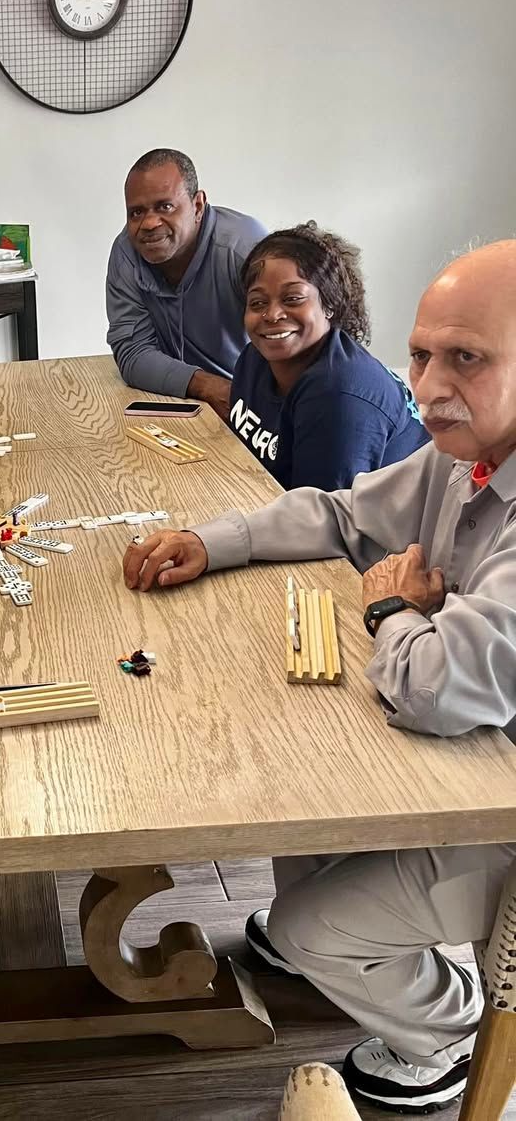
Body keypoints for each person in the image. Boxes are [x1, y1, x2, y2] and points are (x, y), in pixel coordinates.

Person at [123, 240, 516, 1114]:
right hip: (462, 760)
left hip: (495, 802)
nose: (428, 385)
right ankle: (365, 937)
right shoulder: (464, 452)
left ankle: (449, 1036)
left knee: (306, 923)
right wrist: (212, 540)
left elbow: (439, 688)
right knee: (301, 787)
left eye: (468, 358)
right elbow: (343, 512)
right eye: (421, 353)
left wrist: (390, 610)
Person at [229, 222, 428, 490]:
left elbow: (323, 521)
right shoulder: (254, 359)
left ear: (330, 305)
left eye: (293, 298)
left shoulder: (340, 395)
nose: (272, 314)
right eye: (258, 303)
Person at [106, 148, 267, 421]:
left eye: (164, 206)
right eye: (136, 213)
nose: (149, 223)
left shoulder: (245, 249)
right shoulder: (127, 254)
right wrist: (207, 386)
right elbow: (133, 353)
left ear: (198, 206)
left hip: (255, 406)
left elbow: (294, 346)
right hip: (185, 402)